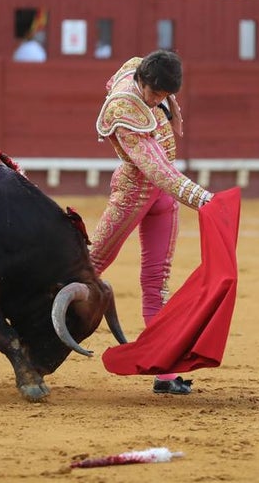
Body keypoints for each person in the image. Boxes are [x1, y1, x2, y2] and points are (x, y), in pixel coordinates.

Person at [88, 50, 213, 396]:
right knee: (88, 265)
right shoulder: (124, 109)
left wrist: (174, 108)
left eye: (164, 95)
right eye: (154, 94)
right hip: (133, 193)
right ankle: (34, 329)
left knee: (157, 281)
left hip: (162, 199)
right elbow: (158, 171)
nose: (156, 100)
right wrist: (204, 200)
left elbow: (144, 64)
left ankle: (165, 372)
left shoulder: (141, 68)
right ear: (142, 82)